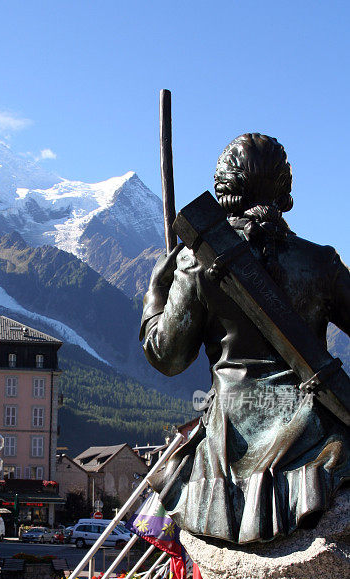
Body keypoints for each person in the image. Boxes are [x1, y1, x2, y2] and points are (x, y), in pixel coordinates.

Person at [137, 133, 350, 545]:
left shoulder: (194, 263)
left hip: (231, 437)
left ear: (223, 190)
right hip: (317, 432)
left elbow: (168, 357)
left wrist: (154, 295)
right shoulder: (321, 262)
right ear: (285, 189)